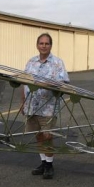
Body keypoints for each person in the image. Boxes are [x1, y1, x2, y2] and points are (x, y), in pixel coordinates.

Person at [21, 33, 70, 179]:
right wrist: (22, 101)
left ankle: (49, 165)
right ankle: (43, 162)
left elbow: (63, 83)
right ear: (37, 45)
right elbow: (24, 81)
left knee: (48, 136)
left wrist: (44, 84)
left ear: (51, 45)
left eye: (47, 43)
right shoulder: (31, 62)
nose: (44, 46)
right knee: (38, 135)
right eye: (41, 43)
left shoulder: (57, 63)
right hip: (31, 105)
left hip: (48, 107)